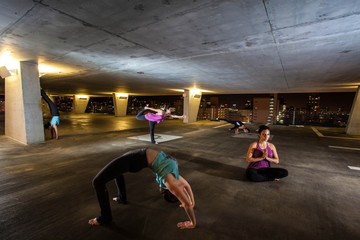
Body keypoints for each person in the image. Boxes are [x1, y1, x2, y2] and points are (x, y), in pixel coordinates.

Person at [88, 148, 196, 229]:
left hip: (138, 157)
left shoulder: (175, 177)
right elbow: (186, 203)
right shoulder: (171, 184)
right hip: (136, 158)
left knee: (100, 180)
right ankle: (120, 200)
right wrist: (192, 222)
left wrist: (192, 202)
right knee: (102, 179)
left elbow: (187, 186)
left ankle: (105, 217)